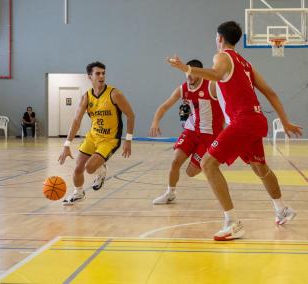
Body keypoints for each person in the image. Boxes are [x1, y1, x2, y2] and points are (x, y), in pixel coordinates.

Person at [167, 21, 303, 241]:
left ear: (220, 38)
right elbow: (271, 92)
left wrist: (187, 69)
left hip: (243, 120)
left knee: (207, 164)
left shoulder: (222, 56)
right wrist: (285, 121)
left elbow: (218, 74)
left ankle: (233, 222)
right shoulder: (246, 64)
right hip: (256, 120)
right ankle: (282, 209)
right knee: (261, 168)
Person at [58, 61, 135, 205]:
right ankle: (78, 193)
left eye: (103, 73)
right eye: (98, 73)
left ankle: (101, 170)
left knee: (89, 167)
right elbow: (76, 120)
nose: (101, 76)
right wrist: (66, 144)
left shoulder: (115, 94)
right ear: (90, 77)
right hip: (93, 136)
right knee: (78, 167)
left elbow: (131, 115)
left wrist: (128, 140)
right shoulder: (86, 97)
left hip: (110, 139)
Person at [150, 59, 224, 205]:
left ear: (200, 73)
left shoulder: (212, 86)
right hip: (191, 131)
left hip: (209, 135)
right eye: (186, 72)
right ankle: (170, 193)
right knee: (175, 161)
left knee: (191, 172)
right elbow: (164, 106)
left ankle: (212, 161)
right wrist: (155, 121)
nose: (188, 76)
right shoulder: (183, 89)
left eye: (192, 72)